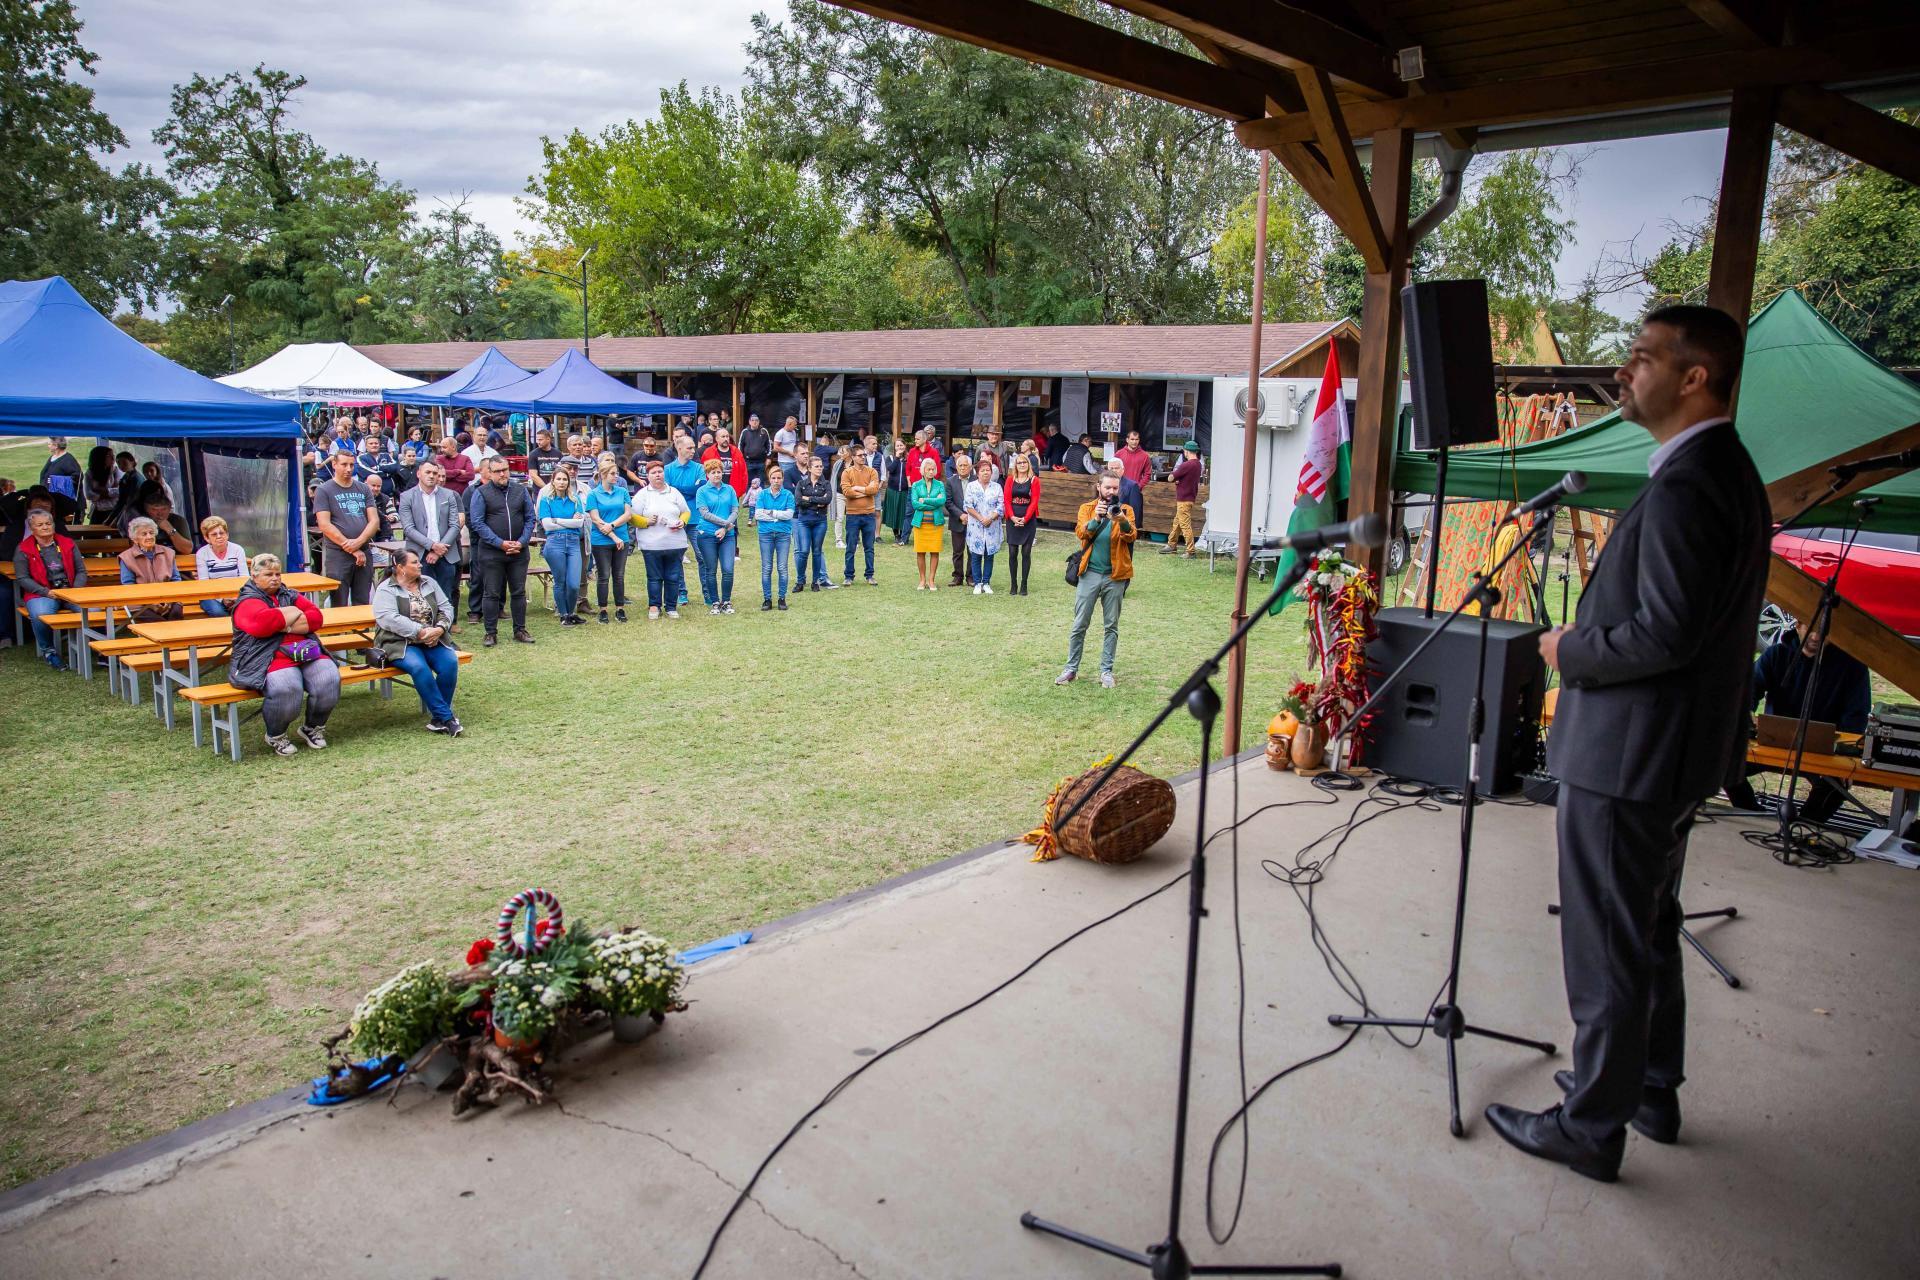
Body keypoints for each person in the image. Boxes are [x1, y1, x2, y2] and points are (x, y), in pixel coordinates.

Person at [1485, 305, 1771, 1184]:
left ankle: (1590, 1126)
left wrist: (1565, 649)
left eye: (1643, 358)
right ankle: (1648, 1087)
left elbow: (1663, 636)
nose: (1624, 371)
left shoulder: (1691, 483)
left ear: (1696, 377)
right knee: (1647, 923)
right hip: (1672, 754)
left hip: (1629, 754)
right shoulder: (1722, 469)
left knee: (1607, 938)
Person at [1727, 627, 1873, 822]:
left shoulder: (1853, 667)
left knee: (1836, 786)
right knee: (1723, 764)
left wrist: (1845, 760)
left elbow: (1856, 717)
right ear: (1797, 625)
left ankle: (1803, 827)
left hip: (1826, 752)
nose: (1815, 636)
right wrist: (1747, 713)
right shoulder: (1777, 654)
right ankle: (1753, 814)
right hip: (1773, 745)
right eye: (1810, 629)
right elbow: (1748, 689)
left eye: (1824, 631)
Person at [231, 552, 339, 756]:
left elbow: (316, 618)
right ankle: (276, 734)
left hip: (304, 651)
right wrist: (293, 613)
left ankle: (312, 727)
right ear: (254, 576)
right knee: (287, 688)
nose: (274, 578)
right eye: (268, 574)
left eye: (278, 574)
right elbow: (261, 625)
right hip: (266, 656)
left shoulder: (289, 594)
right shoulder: (247, 601)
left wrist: (283, 624)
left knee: (329, 678)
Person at [1057, 472, 1136, 689]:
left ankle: (1106, 671)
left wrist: (1122, 521)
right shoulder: (1087, 508)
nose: (1112, 492)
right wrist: (1097, 519)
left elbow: (1132, 536)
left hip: (1115, 576)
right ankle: (1071, 669)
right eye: (1108, 487)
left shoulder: (1126, 510)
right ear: (1099, 487)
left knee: (1111, 625)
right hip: (1090, 573)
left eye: (1115, 488)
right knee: (1079, 623)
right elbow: (1081, 533)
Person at [373, 549, 463, 735]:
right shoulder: (385, 589)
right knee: (419, 667)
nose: (420, 565)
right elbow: (388, 618)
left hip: (433, 638)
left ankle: (439, 718)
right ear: (400, 567)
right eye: (414, 562)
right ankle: (446, 718)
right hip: (399, 642)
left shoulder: (429, 583)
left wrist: (439, 629)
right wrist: (420, 632)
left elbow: (446, 607)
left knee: (450, 663)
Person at [466, 455, 537, 647]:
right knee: (491, 593)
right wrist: (499, 543)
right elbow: (477, 523)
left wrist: (522, 542)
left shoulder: (520, 490)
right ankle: (490, 632)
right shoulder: (481, 493)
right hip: (492, 552)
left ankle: (520, 629)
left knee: (518, 591)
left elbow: (530, 518)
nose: (503, 474)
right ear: (489, 472)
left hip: (518, 552)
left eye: (505, 469)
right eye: (498, 471)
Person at [13, 507, 85, 670]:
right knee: (40, 614)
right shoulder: (23, 549)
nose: (45, 527)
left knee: (93, 611)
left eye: (48, 523)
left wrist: (75, 590)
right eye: (40, 525)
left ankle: (97, 648)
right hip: (41, 593)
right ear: (32, 529)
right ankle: (49, 651)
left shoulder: (68, 543)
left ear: (53, 525)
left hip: (71, 592)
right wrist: (46, 592)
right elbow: (22, 578)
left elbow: (81, 570)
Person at [313, 451, 379, 615]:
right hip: (338, 554)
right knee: (339, 601)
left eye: (351, 465)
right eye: (344, 464)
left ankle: (361, 638)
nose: (348, 469)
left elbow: (374, 521)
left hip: (363, 551)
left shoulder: (363, 488)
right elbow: (324, 524)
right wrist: (350, 547)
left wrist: (359, 542)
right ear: (334, 465)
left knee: (362, 600)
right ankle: (338, 638)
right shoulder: (324, 490)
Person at [400, 461, 464, 617]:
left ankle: (446, 634)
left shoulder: (449, 495)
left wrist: (439, 550)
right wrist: (432, 546)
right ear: (419, 474)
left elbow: (455, 525)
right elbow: (408, 528)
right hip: (419, 555)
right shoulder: (406, 496)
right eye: (428, 472)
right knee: (420, 596)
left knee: (445, 596)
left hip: (446, 554)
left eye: (435, 473)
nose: (432, 476)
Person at [631, 459, 691, 619]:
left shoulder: (674, 492)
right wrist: (646, 521)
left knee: (673, 576)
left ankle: (671, 606)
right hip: (651, 544)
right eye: (653, 472)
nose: (658, 475)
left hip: (675, 543)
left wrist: (682, 521)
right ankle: (654, 606)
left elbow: (686, 511)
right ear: (647, 476)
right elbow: (632, 517)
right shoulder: (642, 495)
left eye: (660, 471)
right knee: (654, 577)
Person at [536, 461, 587, 626]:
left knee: (573, 583)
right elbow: (547, 525)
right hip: (555, 543)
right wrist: (567, 521)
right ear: (553, 480)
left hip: (573, 543)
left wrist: (557, 520)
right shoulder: (546, 500)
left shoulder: (575, 499)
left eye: (564, 479)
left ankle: (571, 612)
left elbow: (579, 524)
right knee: (560, 581)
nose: (562, 482)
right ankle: (564, 614)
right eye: (558, 479)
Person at [585, 460, 633, 623]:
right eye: (613, 473)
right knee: (604, 575)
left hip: (622, 537)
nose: (616, 476)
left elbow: (628, 514)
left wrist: (612, 525)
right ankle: (603, 609)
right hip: (601, 540)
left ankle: (620, 608)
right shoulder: (593, 494)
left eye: (617, 473)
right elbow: (595, 518)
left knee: (619, 575)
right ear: (603, 475)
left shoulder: (622, 491)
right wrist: (613, 535)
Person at [115, 514, 184, 625]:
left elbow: (176, 580)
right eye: (144, 534)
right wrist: (150, 603)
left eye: (151, 533)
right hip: (139, 603)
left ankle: (176, 641)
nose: (149, 537)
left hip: (168, 598)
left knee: (176, 614)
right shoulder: (126, 557)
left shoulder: (168, 553)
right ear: (134, 538)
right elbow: (129, 587)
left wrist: (168, 600)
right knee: (157, 622)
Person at [664, 434, 706, 609]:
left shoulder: (699, 468)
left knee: (703, 557)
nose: (693, 450)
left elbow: (699, 489)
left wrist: (677, 489)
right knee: (676, 558)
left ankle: (708, 592)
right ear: (679, 448)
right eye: (689, 447)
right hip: (676, 520)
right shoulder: (667, 469)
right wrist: (686, 490)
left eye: (693, 447)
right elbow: (668, 492)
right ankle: (681, 593)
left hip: (696, 519)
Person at [692, 458, 740, 615]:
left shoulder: (730, 489)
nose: (717, 475)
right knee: (710, 569)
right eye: (713, 472)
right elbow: (705, 513)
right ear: (707, 474)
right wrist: (726, 524)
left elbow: (735, 510)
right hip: (707, 534)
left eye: (719, 471)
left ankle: (726, 601)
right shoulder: (702, 491)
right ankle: (715, 602)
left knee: (728, 569)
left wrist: (725, 528)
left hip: (727, 535)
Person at [754, 464, 796, 610]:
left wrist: (770, 513)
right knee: (767, 567)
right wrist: (778, 515)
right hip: (765, 534)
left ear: (783, 479)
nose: (776, 480)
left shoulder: (788, 495)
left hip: (783, 534)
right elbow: (758, 515)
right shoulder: (762, 494)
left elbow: (789, 515)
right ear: (769, 479)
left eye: (779, 478)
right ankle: (767, 599)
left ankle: (781, 598)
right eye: (773, 478)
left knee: (782, 567)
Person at [840, 444, 882, 585]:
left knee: (869, 547)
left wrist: (858, 488)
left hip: (869, 514)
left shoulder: (872, 472)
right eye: (860, 455)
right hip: (852, 515)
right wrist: (865, 491)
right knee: (851, 547)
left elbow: (875, 489)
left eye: (864, 455)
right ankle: (848, 576)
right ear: (853, 457)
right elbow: (847, 492)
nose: (863, 457)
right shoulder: (847, 472)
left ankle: (870, 575)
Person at [964, 453, 1005, 594]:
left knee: (989, 555)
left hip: (992, 526)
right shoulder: (971, 487)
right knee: (975, 555)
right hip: (976, 526)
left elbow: (1000, 506)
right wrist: (981, 518)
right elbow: (968, 506)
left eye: (988, 470)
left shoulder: (997, 487)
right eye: (983, 470)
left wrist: (991, 518)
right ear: (977, 473)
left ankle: (986, 582)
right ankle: (977, 583)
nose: (986, 472)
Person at [793, 454, 834, 591]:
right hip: (804, 521)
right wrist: (817, 500)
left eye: (821, 466)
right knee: (803, 551)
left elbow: (827, 500)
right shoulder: (801, 484)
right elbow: (798, 501)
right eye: (816, 466)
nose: (820, 468)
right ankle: (800, 581)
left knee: (817, 551)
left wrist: (809, 499)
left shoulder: (826, 484)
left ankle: (815, 582)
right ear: (809, 468)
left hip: (819, 521)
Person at [193, 516, 248, 617]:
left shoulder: (237, 549)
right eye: (214, 534)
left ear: (227, 534)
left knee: (243, 610)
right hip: (211, 594)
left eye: (222, 533)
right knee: (218, 612)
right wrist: (222, 599)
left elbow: (244, 578)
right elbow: (204, 583)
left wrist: (236, 596)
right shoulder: (202, 553)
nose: (219, 536)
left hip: (236, 592)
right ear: (206, 538)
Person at [1004, 452, 1042, 596]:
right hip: (1012, 518)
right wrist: (1013, 517)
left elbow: (1035, 501)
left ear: (1028, 464)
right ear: (1015, 465)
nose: (1022, 465)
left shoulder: (1034, 480)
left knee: (1026, 552)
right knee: (1012, 552)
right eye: (1019, 463)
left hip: (1028, 519)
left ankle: (1024, 584)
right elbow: (1006, 500)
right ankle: (1013, 584)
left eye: (1024, 462)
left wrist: (1025, 519)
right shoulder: (1010, 480)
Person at [909, 457, 947, 591]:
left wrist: (924, 500)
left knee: (935, 552)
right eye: (928, 469)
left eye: (933, 469)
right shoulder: (915, 485)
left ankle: (931, 580)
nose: (931, 472)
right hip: (920, 525)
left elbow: (942, 501)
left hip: (936, 525)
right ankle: (922, 580)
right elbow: (915, 504)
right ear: (923, 470)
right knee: (920, 552)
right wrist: (933, 502)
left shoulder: (940, 485)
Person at [1165, 439, 1203, 556]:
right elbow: (1188, 479)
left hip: (1183, 499)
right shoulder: (1198, 464)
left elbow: (1170, 478)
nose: (1184, 453)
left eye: (1184, 451)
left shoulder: (1186, 464)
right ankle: (1171, 545)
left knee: (1185, 525)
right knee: (1177, 523)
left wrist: (1175, 477)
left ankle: (1190, 551)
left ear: (1187, 451)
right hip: (1190, 497)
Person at [944, 452, 973, 588]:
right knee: (957, 551)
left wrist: (971, 516)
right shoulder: (950, 481)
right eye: (960, 465)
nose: (962, 468)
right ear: (956, 467)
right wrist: (961, 515)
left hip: (974, 521)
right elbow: (948, 502)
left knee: (972, 550)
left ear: (970, 467)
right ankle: (957, 577)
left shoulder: (976, 480)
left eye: (965, 465)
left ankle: (971, 577)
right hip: (957, 521)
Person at [701, 427, 750, 501]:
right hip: (714, 490)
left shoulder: (737, 452)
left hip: (733, 490)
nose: (726, 439)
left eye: (727, 436)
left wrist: (742, 490)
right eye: (723, 437)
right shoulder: (708, 453)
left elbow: (743, 472)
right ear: (717, 439)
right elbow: (703, 472)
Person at [1103, 457, 1145, 538]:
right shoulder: (1103, 485)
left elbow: (1135, 509)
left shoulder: (1132, 486)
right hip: (1106, 526)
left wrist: (1133, 528)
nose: (1114, 470)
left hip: (1124, 526)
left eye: (1117, 468)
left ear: (1123, 470)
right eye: (1111, 468)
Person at [39, 436, 83, 505]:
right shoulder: (52, 457)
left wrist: (56, 480)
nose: (48, 446)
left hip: (66, 503)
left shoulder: (68, 460)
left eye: (49, 444)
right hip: (52, 499)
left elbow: (78, 477)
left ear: (56, 446)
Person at [885, 437, 912, 545]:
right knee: (894, 513)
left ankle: (903, 534)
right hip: (893, 490)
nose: (900, 447)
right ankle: (896, 535)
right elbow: (891, 469)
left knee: (903, 513)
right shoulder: (890, 458)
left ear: (905, 446)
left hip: (905, 490)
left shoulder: (909, 458)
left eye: (901, 445)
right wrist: (897, 458)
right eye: (897, 446)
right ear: (894, 448)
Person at [83, 446, 119, 522]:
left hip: (113, 510)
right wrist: (108, 494)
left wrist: (99, 490)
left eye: (113, 455)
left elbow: (120, 491)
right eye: (109, 456)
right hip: (98, 511)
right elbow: (88, 494)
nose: (113, 458)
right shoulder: (90, 473)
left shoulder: (116, 470)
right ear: (100, 457)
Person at [738, 413, 772, 492]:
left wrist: (769, 458)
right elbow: (740, 446)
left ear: (759, 421)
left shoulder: (764, 431)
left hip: (761, 462)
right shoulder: (745, 432)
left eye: (756, 420)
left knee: (761, 482)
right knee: (749, 482)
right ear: (749, 422)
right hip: (748, 462)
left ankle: (762, 500)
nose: (754, 422)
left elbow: (769, 445)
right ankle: (748, 501)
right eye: (752, 420)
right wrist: (741, 459)